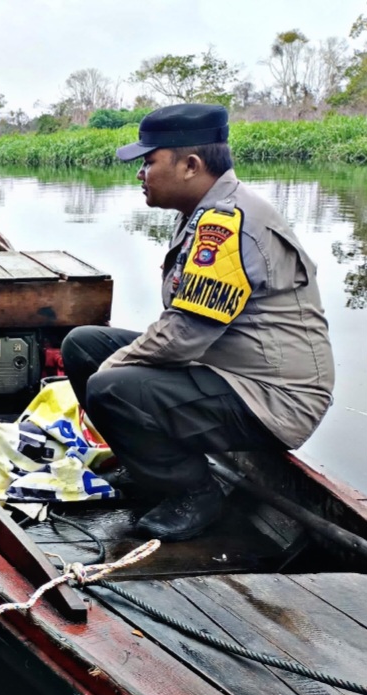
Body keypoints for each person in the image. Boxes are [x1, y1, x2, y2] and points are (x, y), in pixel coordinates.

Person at [61, 104, 334, 542]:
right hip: (229, 367)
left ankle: (195, 494)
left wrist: (114, 370)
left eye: (149, 162)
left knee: (109, 384)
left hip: (273, 397)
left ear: (190, 165)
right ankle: (149, 469)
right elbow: (184, 325)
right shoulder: (203, 211)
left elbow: (184, 337)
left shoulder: (228, 224)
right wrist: (113, 362)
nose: (140, 175)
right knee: (83, 346)